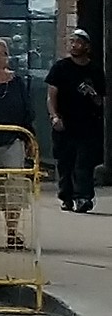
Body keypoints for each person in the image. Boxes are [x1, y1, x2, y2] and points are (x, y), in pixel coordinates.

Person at [0, 37, 34, 249]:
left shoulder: (16, 82)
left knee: (13, 185)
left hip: (12, 138)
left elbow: (27, 111)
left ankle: (12, 231)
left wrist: (29, 136)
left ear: (6, 57)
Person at [48, 28, 106, 212]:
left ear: (86, 47)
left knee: (84, 162)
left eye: (78, 42)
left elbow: (100, 100)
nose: (74, 45)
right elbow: (51, 95)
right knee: (66, 162)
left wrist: (92, 93)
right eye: (72, 42)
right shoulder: (60, 68)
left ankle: (83, 197)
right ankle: (66, 197)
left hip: (87, 124)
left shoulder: (94, 71)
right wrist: (54, 116)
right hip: (65, 123)